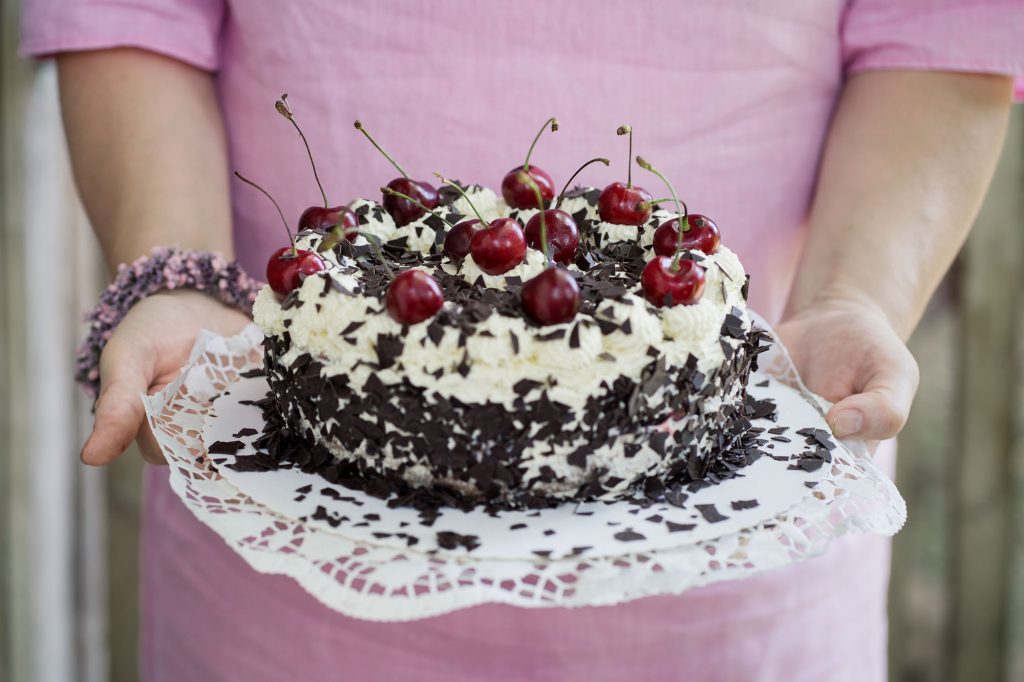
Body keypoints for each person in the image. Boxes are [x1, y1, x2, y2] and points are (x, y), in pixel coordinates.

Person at [21, 1, 1023, 680]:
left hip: (734, 576)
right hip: (274, 568)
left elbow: (941, 23)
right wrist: (179, 273)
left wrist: (853, 292)